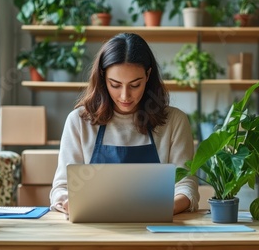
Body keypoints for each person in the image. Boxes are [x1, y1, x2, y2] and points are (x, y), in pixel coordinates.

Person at [50, 33, 199, 215]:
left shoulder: (175, 121)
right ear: (103, 78)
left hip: (156, 229)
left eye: (135, 85)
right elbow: (61, 188)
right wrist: (67, 202)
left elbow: (186, 187)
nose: (124, 96)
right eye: (115, 84)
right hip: (94, 232)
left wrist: (160, 210)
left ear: (148, 75)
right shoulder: (79, 122)